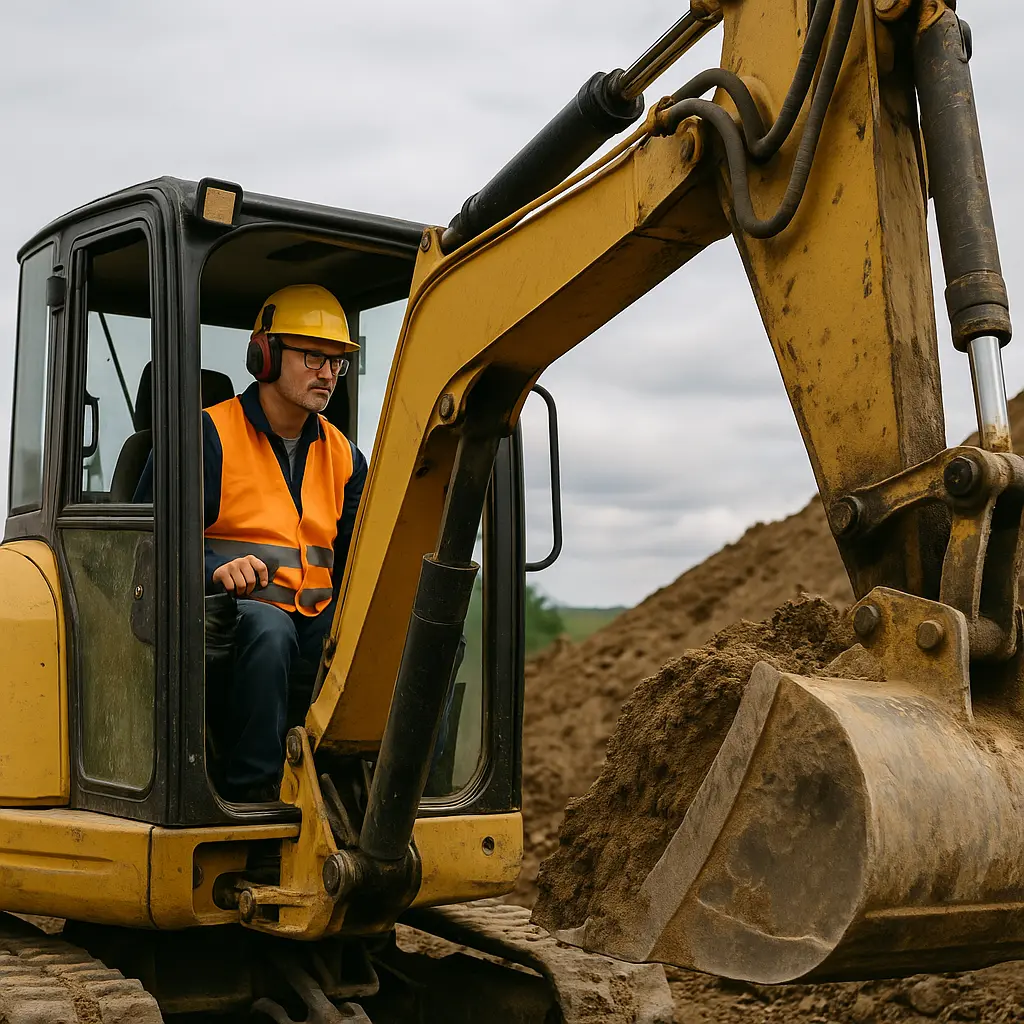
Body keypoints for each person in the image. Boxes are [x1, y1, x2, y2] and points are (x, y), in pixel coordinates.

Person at [202, 284, 366, 802]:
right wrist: (212, 570)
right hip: (225, 617)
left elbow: (359, 557)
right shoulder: (206, 436)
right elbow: (144, 548)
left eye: (337, 362)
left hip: (314, 620)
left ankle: (369, 797)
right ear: (264, 354)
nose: (328, 374)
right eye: (313, 356)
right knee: (270, 629)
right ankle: (253, 802)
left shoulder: (344, 455)